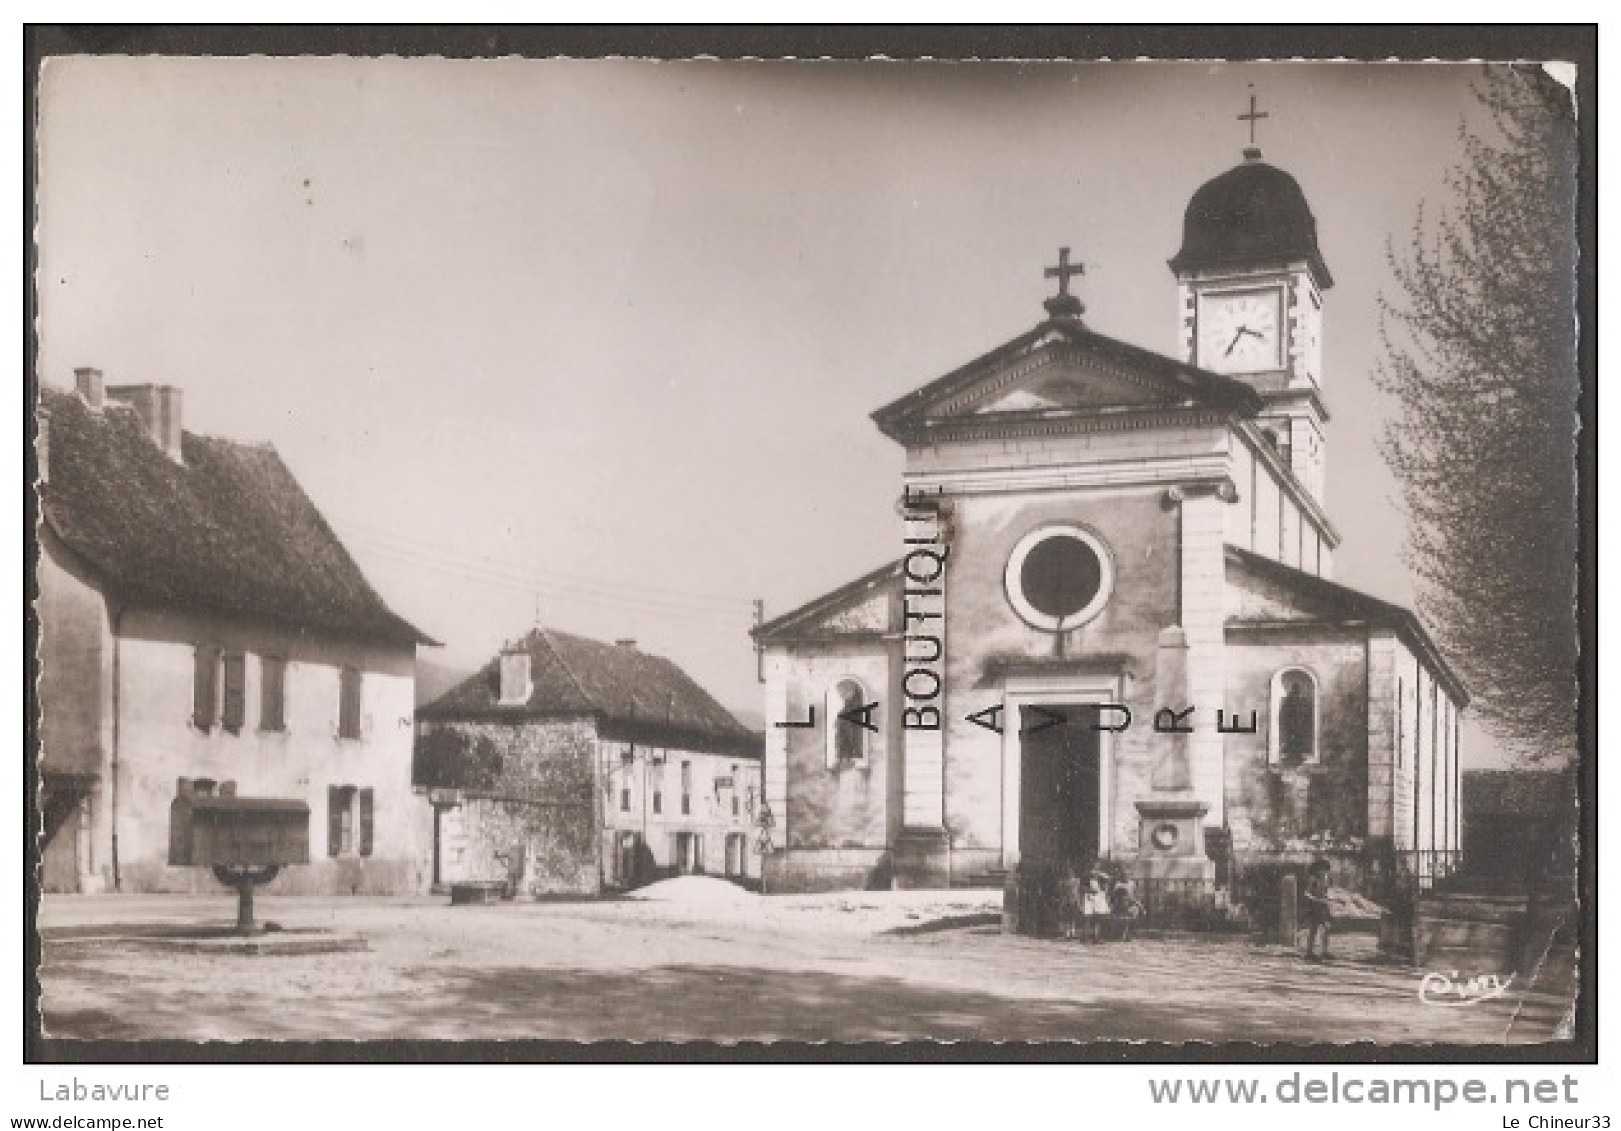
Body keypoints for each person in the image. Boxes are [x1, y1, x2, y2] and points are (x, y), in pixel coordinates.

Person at [1300, 858, 1333, 961]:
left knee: (1327, 927)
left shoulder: (1326, 879)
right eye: (1322, 868)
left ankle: (1325, 951)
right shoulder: (1313, 879)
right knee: (1313, 929)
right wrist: (1316, 899)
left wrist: (1328, 899)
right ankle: (1309, 952)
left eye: (1325, 869)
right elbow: (1306, 893)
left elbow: (1325, 893)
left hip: (1323, 905)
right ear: (1317, 869)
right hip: (1314, 906)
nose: (1324, 871)